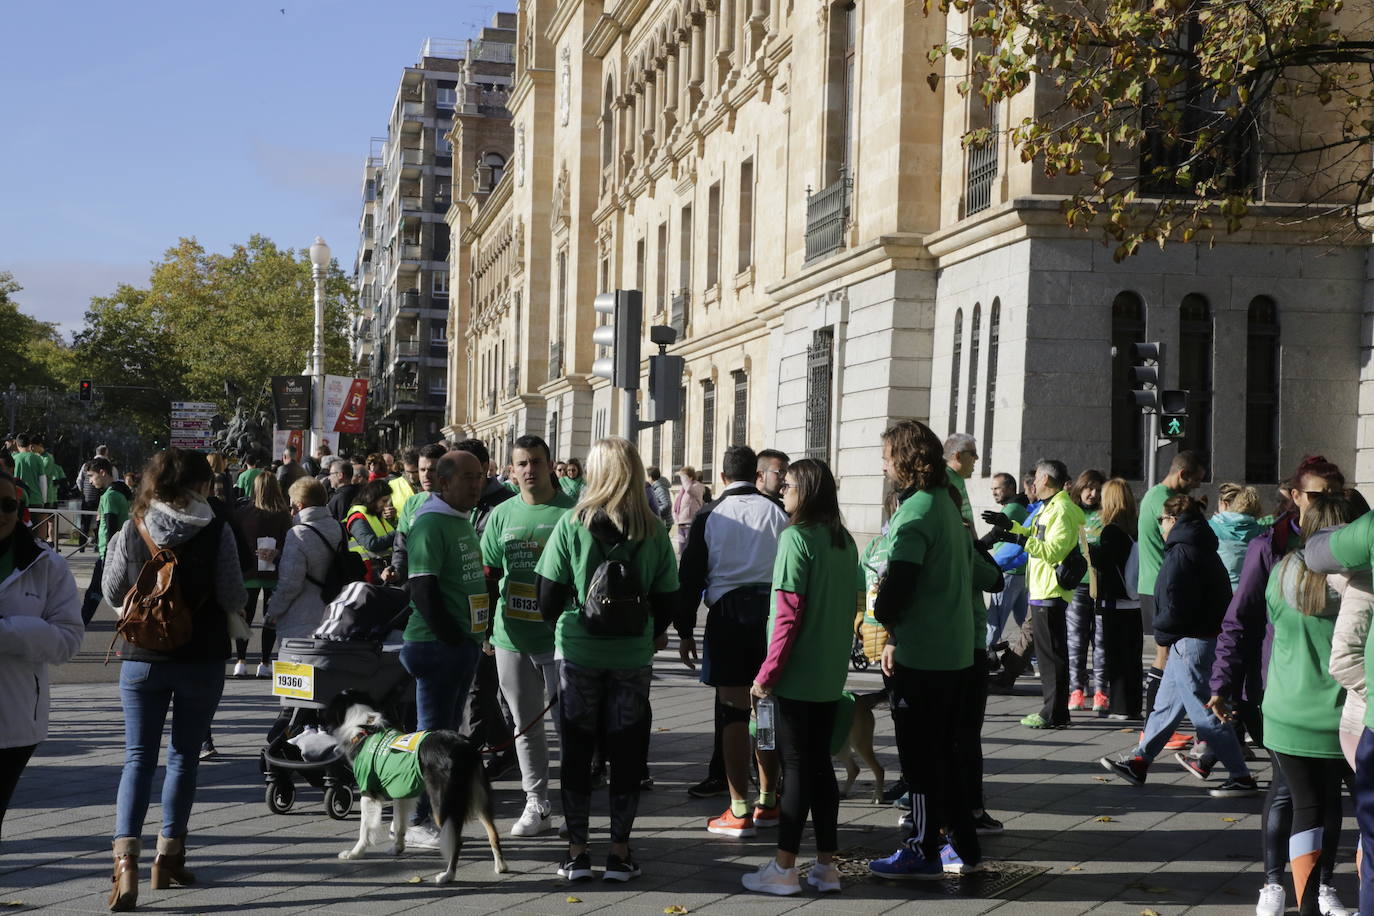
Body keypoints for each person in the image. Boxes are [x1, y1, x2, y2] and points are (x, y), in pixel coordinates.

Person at [101, 449, 247, 912]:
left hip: (142, 657)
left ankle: (125, 863)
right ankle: (169, 856)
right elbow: (233, 594)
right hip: (201, 656)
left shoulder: (132, 525)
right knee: (184, 757)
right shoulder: (217, 528)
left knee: (137, 758)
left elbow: (111, 591)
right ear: (200, 485)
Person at [535, 436, 679, 883]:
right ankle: (619, 852)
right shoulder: (654, 531)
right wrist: (647, 631)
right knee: (628, 751)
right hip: (632, 656)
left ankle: (577, 852)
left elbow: (546, 600)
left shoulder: (571, 524)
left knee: (576, 750)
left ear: (594, 473)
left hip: (579, 651)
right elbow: (670, 600)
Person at [1211, 455, 1347, 916]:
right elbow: (1239, 620)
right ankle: (1276, 882)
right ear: (1293, 495)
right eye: (1316, 493)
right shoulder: (1270, 548)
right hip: (1282, 689)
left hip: (1329, 698)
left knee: (1321, 795)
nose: (1324, 501)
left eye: (1332, 493)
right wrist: (1223, 683)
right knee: (1293, 791)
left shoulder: (1348, 551)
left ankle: (1319, 884)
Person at [866, 419, 982, 880]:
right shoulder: (945, 504)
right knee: (946, 752)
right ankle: (964, 847)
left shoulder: (914, 512)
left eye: (887, 455)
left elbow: (900, 585)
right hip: (954, 650)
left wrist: (885, 624)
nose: (883, 464)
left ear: (906, 460)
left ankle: (921, 848)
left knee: (919, 758)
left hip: (922, 652)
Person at [741, 459, 860, 895]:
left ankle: (784, 866)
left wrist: (766, 675)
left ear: (805, 491)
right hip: (829, 674)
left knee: (795, 769)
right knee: (819, 770)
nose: (783, 490)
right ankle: (826, 865)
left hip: (795, 673)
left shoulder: (796, 538)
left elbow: (787, 616)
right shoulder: (843, 541)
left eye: (788, 484)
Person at [1097, 495, 1259, 796]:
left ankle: (1241, 776)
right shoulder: (1201, 545)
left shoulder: (1180, 552)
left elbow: (1173, 601)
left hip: (1190, 641)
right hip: (1194, 638)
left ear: (1172, 520)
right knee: (1166, 706)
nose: (1160, 526)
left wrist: (1163, 634)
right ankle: (1140, 761)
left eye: (1162, 520)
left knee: (1205, 713)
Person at [677, 445, 790, 839]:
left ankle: (738, 806)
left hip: (727, 614)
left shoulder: (710, 514)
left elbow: (690, 575)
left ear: (722, 477)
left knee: (733, 712)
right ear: (755, 474)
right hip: (770, 615)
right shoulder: (777, 511)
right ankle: (770, 801)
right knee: (767, 709)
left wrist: (685, 629)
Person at [1255, 493, 1357, 916]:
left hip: (1284, 714)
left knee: (1302, 808)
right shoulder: (1359, 583)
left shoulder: (1281, 572)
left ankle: (1296, 898)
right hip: (1337, 718)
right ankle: (1323, 894)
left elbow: (1270, 629)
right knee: (1331, 808)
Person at [481, 435, 577, 837]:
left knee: (569, 725)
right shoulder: (501, 514)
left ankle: (575, 808)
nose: (529, 469)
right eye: (521, 463)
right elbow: (488, 576)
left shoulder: (573, 512)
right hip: (510, 636)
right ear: (512, 468)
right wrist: (485, 630)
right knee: (524, 724)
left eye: (536, 461)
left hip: (562, 639)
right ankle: (536, 804)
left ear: (551, 464)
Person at [399, 449, 493, 847]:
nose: (477, 484)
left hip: (461, 645)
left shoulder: (459, 518)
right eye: (468, 477)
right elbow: (422, 587)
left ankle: (440, 816)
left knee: (448, 737)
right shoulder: (431, 523)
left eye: (480, 476)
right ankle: (417, 820)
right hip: (437, 646)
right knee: (433, 740)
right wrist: (452, 636)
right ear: (443, 483)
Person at [0, 472, 83, 841]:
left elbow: (67, 640)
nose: (2, 513)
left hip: (13, 721)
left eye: (9, 505)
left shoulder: (47, 565)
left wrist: (7, 632)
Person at [982, 459, 1085, 729]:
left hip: (1050, 591)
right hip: (1042, 591)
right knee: (1051, 655)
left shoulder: (1061, 509)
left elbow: (1054, 551)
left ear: (1047, 480)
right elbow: (1035, 534)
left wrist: (1019, 540)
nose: (1033, 483)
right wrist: (1010, 526)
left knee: (1051, 658)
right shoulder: (1048, 507)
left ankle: (1052, 714)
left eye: (1037, 478)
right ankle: (1057, 713)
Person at [452, 438, 518, 780]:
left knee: (478, 689)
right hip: (460, 607)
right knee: (474, 687)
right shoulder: (452, 502)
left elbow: (495, 565)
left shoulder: (503, 504)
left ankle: (465, 763)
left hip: (492, 610)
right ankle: (505, 748)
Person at [1138, 452, 1206, 723]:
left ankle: (1161, 722)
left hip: (1157, 584)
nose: (1197, 486)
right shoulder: (1162, 500)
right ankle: (1154, 721)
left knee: (1169, 655)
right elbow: (1173, 535)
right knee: (1165, 656)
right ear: (1182, 475)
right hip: (1162, 586)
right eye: (1196, 481)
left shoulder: (1153, 495)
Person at [1088, 479, 1143, 720]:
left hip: (1114, 600)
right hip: (1135, 600)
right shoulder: (1135, 527)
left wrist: (1088, 549)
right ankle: (1132, 706)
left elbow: (1105, 563)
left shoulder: (1111, 530)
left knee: (1116, 656)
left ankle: (1120, 707)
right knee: (1133, 656)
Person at [263, 477, 342, 641]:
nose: (291, 512)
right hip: (336, 613)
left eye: (292, 506)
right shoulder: (337, 526)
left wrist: (273, 612)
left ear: (300, 505)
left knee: (298, 664)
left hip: (302, 618)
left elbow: (290, 583)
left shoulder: (298, 533)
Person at [229, 473, 291, 680]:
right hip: (274, 571)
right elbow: (289, 540)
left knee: (245, 617)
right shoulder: (283, 514)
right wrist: (277, 552)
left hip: (248, 572)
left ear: (254, 489)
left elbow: (235, 543)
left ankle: (241, 661)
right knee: (270, 619)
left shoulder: (242, 513)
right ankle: (264, 663)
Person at [1066, 469, 1106, 712]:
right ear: (1079, 488)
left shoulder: (1106, 514)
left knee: (1101, 641)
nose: (1092, 494)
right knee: (1076, 640)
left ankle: (1101, 691)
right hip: (1077, 585)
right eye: (1088, 488)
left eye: (1098, 489)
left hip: (1101, 585)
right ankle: (1076, 690)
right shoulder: (1072, 513)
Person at [80, 458, 130, 625]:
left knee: (96, 593)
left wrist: (109, 555)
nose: (90, 481)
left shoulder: (110, 496)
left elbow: (110, 527)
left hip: (108, 553)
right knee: (107, 594)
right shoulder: (121, 492)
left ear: (103, 472)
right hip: (118, 551)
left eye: (92, 476)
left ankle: (78, 627)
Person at [985, 472, 1029, 647]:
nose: (994, 492)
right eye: (992, 489)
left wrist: (975, 546)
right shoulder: (1019, 507)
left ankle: (982, 658)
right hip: (1020, 572)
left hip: (1008, 572)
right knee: (1024, 623)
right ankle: (1030, 661)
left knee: (994, 621)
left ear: (1011, 488)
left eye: (997, 488)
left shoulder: (1012, 509)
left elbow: (994, 535)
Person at [1210, 482, 1264, 586]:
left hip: (1220, 591)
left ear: (1224, 504)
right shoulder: (1262, 531)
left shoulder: (1210, 527)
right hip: (1251, 592)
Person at [344, 480, 397, 584]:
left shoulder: (375, 514)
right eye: (384, 501)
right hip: (370, 574)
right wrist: (399, 533)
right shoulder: (358, 517)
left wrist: (393, 520)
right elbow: (371, 544)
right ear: (373, 499)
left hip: (382, 571)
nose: (386, 505)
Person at [671, 466, 707, 557]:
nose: (682, 480)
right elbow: (677, 503)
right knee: (682, 549)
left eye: (684, 477)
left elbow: (690, 490)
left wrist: (684, 478)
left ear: (690, 477)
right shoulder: (683, 489)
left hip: (690, 522)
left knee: (690, 549)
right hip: (681, 522)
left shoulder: (697, 486)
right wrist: (675, 515)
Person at [388, 448, 420, 517]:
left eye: (415, 472)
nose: (411, 476)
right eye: (408, 472)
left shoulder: (430, 484)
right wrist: (386, 513)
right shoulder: (393, 484)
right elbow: (385, 510)